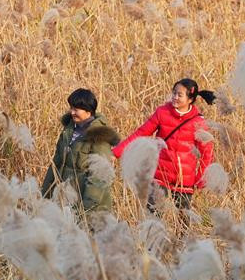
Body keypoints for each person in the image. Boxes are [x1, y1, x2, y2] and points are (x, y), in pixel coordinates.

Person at [112, 78, 215, 213]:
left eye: (180, 95)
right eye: (174, 93)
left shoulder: (199, 122)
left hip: (184, 179)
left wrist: (201, 179)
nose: (175, 97)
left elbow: (206, 153)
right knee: (153, 216)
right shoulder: (162, 112)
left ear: (190, 99)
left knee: (183, 221)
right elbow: (141, 133)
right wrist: (116, 152)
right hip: (160, 176)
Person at [41, 88, 120, 217]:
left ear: (88, 111)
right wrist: (45, 194)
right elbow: (56, 164)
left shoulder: (99, 136)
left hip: (88, 206)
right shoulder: (68, 131)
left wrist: (86, 208)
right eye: (71, 108)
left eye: (76, 109)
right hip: (65, 199)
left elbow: (99, 175)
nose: (72, 112)